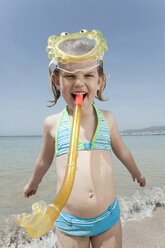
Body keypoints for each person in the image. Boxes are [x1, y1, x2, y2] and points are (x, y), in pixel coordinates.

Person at [24, 30, 146, 248]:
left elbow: (122, 151)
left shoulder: (108, 119)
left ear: (100, 81)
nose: (79, 82)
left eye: (88, 75)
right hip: (70, 223)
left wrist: (135, 172)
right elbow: (44, 160)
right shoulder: (52, 124)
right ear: (57, 81)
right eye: (70, 76)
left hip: (107, 218)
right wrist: (33, 183)